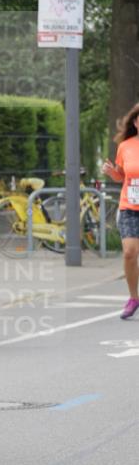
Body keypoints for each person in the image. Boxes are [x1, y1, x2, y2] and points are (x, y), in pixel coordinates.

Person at [102, 102, 139, 319]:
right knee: (129, 253)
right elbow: (121, 176)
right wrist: (111, 172)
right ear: (135, 122)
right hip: (130, 207)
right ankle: (134, 297)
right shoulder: (125, 146)